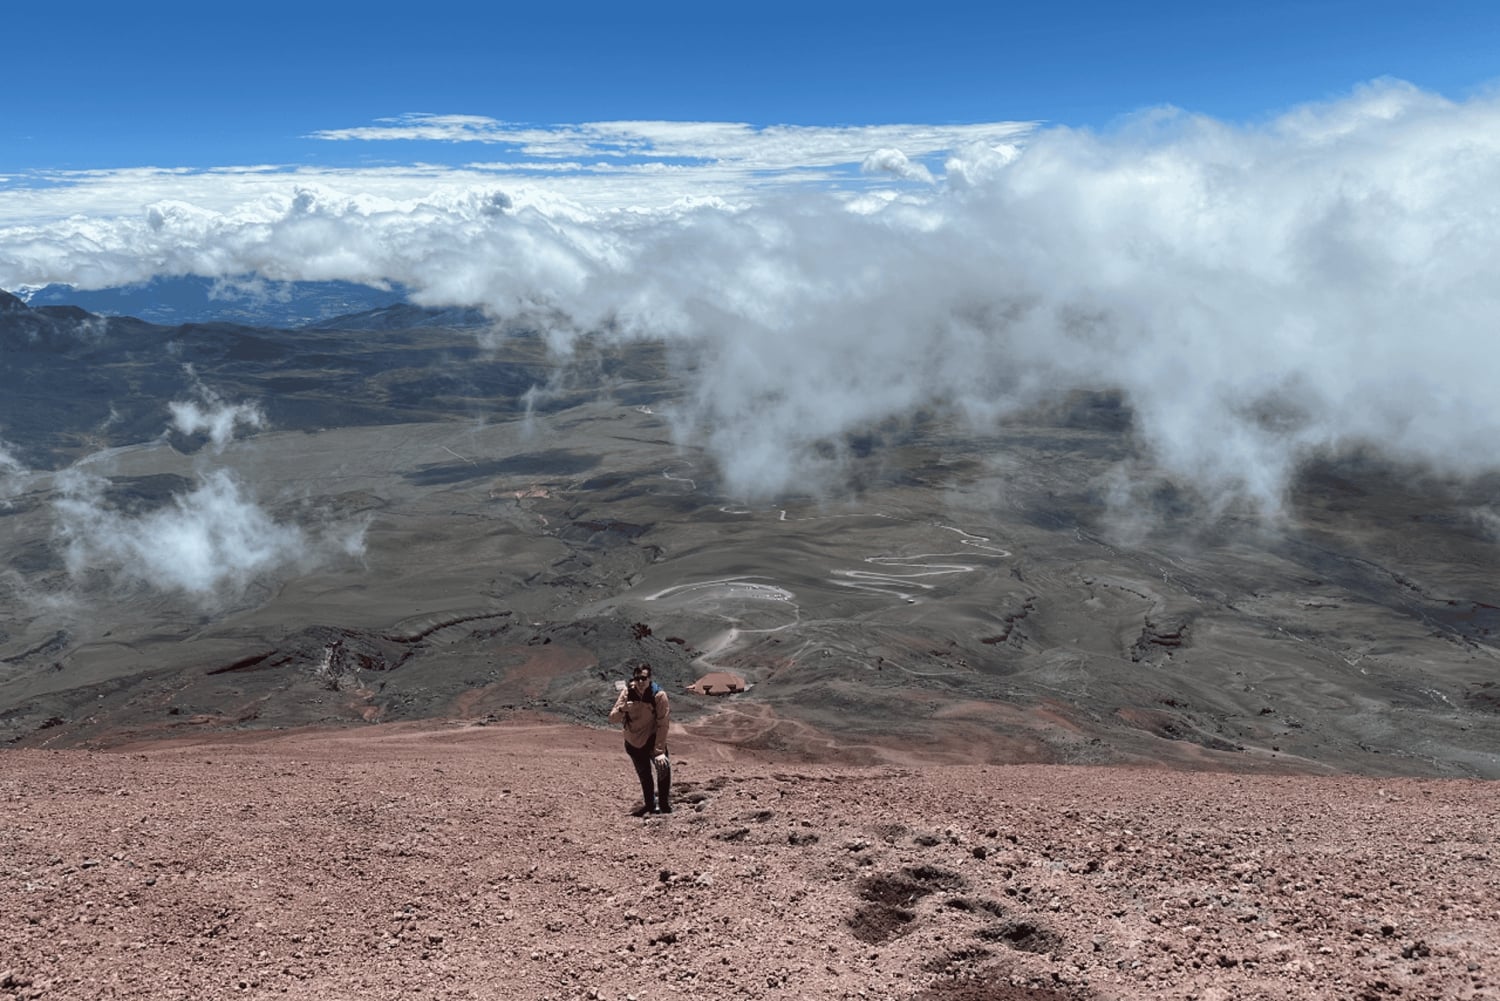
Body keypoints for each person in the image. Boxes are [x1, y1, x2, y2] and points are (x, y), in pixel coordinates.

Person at [609, 662, 671, 815]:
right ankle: (651, 805)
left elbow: (663, 723)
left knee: (663, 768)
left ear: (650, 678)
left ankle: (664, 804)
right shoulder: (627, 693)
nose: (641, 682)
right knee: (645, 775)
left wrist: (659, 751)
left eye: (644, 678)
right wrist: (623, 709)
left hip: (651, 738)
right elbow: (612, 718)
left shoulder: (658, 695)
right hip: (633, 741)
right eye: (637, 679)